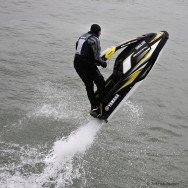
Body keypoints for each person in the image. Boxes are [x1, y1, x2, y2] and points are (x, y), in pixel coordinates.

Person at [74, 24, 107, 117]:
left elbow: (78, 49)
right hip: (86, 64)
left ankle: (94, 108)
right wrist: (103, 63)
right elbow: (97, 57)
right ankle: (102, 103)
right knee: (100, 81)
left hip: (77, 63)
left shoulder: (82, 36)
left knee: (89, 85)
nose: (100, 34)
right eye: (100, 32)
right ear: (98, 32)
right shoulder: (95, 39)